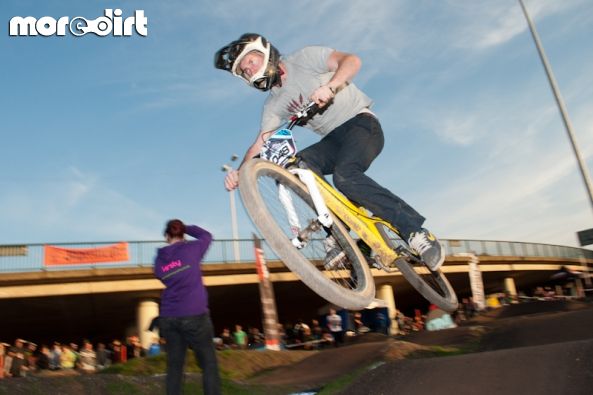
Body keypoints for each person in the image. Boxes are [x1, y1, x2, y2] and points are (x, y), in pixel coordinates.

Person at [215, 33, 444, 271]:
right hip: (333, 141)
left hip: (361, 124)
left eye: (251, 61)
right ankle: (339, 233)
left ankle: (416, 232)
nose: (250, 69)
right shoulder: (274, 105)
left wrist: (331, 86)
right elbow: (260, 143)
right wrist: (240, 172)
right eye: (245, 70)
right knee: (299, 165)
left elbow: (351, 61)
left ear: (265, 52)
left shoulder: (303, 59)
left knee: (345, 177)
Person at [154, 219, 221, 395]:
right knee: (208, 364)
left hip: (169, 317)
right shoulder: (193, 249)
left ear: (166, 236)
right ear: (182, 233)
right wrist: (187, 228)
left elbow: (161, 276)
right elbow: (206, 235)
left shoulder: (159, 260)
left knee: (175, 367)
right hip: (195, 315)